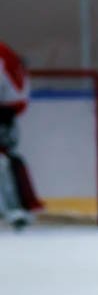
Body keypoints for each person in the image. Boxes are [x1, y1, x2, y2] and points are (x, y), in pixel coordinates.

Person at [0, 40, 44, 229]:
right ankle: (19, 206)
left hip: (5, 110)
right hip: (9, 109)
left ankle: (15, 208)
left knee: (3, 160)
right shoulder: (4, 52)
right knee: (5, 158)